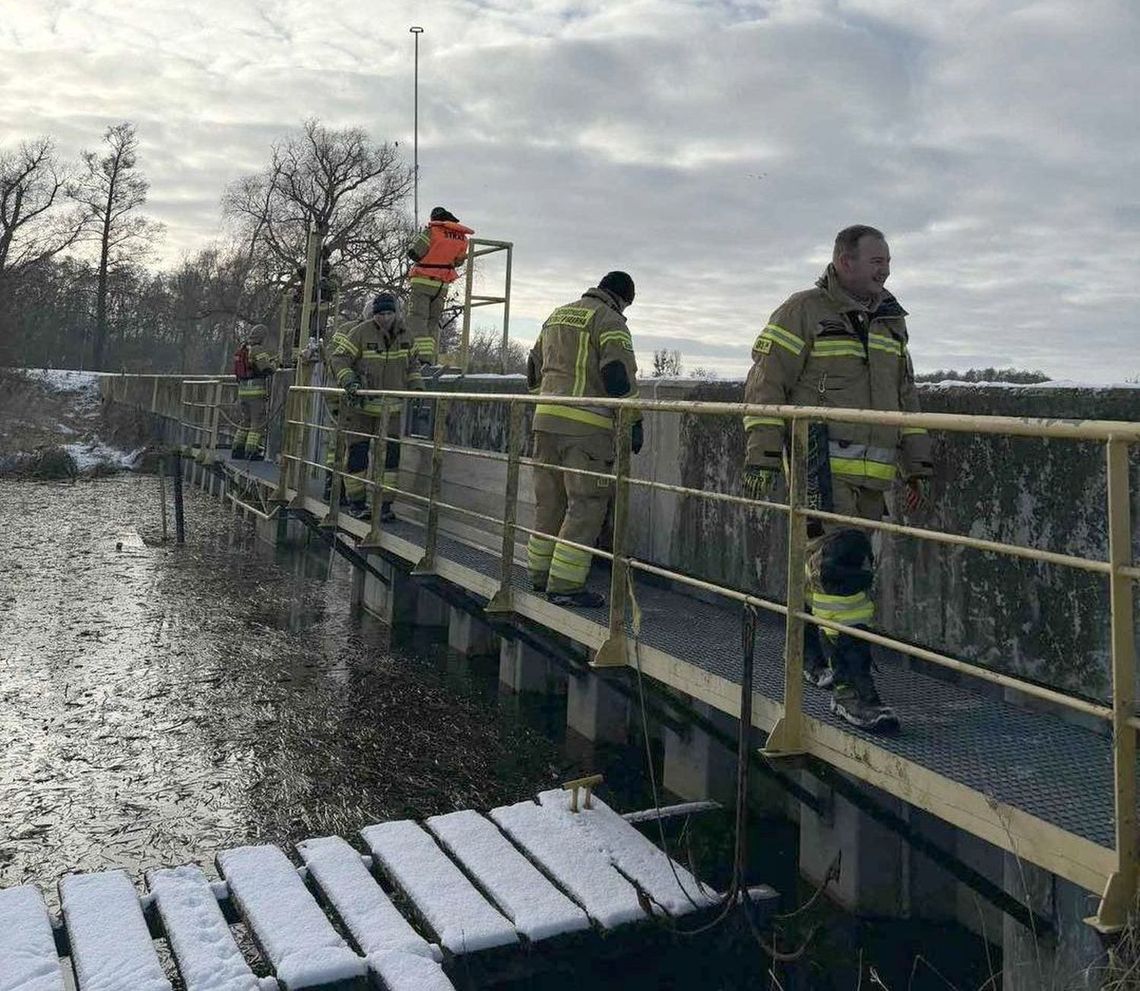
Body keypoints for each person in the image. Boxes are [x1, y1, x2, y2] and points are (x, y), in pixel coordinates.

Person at [741, 225, 934, 732]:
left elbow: (906, 398)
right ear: (844, 262)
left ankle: (812, 657)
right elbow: (765, 385)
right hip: (819, 467)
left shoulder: (892, 322)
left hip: (872, 476)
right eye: (876, 260)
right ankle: (853, 690)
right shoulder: (801, 311)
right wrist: (761, 452)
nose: (885, 268)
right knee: (842, 570)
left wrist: (918, 463)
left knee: (827, 570)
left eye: (888, 261)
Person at [526, 271, 643, 608]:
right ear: (622, 299)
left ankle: (538, 574)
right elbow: (618, 376)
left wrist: (549, 402)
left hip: (545, 423)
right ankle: (564, 585)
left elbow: (533, 371)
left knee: (550, 501)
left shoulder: (557, 315)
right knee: (586, 503)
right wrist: (633, 420)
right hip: (586, 429)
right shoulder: (610, 321)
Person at [327, 293, 424, 519]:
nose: (385, 318)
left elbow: (413, 367)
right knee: (358, 455)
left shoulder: (406, 336)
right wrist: (349, 380)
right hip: (361, 408)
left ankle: (385, 506)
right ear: (374, 314)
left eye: (389, 313)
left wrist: (418, 388)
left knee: (390, 459)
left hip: (391, 411)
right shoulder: (361, 332)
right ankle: (357, 504)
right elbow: (339, 358)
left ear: (396, 313)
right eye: (380, 314)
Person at [405, 207, 474, 366]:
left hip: (422, 281)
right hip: (442, 285)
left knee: (417, 318)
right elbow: (458, 261)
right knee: (433, 320)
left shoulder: (432, 231)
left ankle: (420, 358)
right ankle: (430, 358)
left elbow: (415, 253)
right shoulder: (462, 238)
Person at [232, 323, 278, 460]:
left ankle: (237, 449)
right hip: (255, 392)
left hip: (243, 391)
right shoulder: (258, 349)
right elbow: (267, 369)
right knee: (256, 422)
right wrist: (275, 364)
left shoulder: (244, 348)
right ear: (262, 337)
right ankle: (251, 451)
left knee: (245, 420)